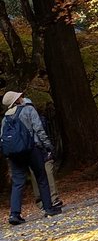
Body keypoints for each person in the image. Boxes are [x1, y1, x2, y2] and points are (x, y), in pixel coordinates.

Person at [3, 90, 60, 224]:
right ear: (16, 100)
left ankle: (14, 214)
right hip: (31, 149)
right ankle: (48, 208)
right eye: (19, 97)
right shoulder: (28, 110)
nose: (22, 98)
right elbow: (39, 129)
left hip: (14, 153)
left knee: (17, 183)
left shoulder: (6, 117)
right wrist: (47, 146)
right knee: (41, 177)